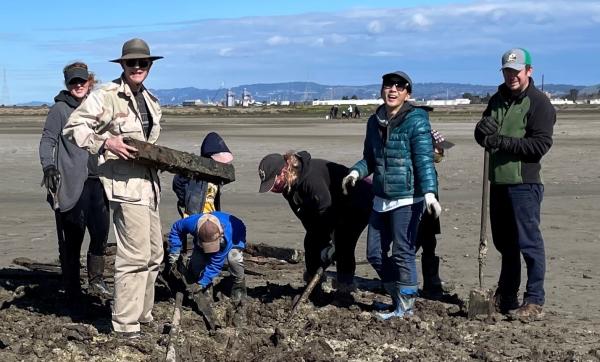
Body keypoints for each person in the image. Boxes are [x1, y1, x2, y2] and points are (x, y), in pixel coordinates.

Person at [63, 38, 164, 338]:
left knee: (154, 254)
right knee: (134, 255)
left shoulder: (152, 100)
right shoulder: (106, 96)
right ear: (122, 65)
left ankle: (142, 315)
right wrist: (105, 142)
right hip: (124, 187)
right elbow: (73, 127)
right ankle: (125, 324)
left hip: (150, 188)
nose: (137, 67)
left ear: (149, 66)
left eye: (142, 63)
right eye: (131, 63)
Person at [342, 71, 440, 320]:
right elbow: (370, 158)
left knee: (402, 253)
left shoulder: (417, 120)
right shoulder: (374, 121)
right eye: (388, 85)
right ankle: (397, 296)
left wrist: (429, 193)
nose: (392, 90)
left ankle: (405, 308)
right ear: (382, 90)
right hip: (380, 198)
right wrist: (356, 171)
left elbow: (424, 161)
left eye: (399, 86)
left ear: (407, 93)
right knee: (374, 253)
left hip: (408, 198)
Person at [474, 48, 555, 321]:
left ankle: (534, 300)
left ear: (528, 71)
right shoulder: (497, 99)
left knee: (529, 244)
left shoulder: (539, 103)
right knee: (505, 245)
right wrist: (481, 130)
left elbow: (540, 145)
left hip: (524, 183)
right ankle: (507, 294)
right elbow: (484, 133)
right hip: (498, 182)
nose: (512, 76)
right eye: (507, 71)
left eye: (516, 71)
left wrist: (502, 142)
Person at [39, 62, 110, 299]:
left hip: (99, 181)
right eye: (73, 82)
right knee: (74, 237)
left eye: (82, 81)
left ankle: (96, 280)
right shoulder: (60, 109)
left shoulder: (98, 106)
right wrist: (48, 166)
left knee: (100, 233)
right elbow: (47, 140)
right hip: (72, 182)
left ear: (89, 81)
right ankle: (72, 286)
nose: (78, 85)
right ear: (68, 85)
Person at [258, 151, 372, 293]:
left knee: (343, 242)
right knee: (311, 242)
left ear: (284, 171)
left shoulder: (311, 179)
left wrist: (331, 245)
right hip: (333, 206)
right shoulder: (287, 187)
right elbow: (306, 219)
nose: (272, 189)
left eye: (273, 183)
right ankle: (314, 286)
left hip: (358, 199)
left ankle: (345, 288)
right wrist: (321, 245)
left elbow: (327, 213)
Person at [167, 212, 247, 303]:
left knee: (234, 258)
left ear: (220, 234)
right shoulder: (191, 223)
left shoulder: (227, 236)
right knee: (196, 264)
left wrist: (202, 283)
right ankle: (203, 288)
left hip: (236, 232)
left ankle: (238, 284)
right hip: (206, 237)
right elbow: (176, 229)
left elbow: (215, 264)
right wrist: (174, 251)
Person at [416, 129, 455, 300]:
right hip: (420, 210)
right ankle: (397, 278)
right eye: (439, 149)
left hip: (431, 211)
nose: (441, 153)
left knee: (430, 243)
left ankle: (431, 281)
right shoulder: (421, 166)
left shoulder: (430, 167)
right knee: (412, 245)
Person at [172, 132, 233, 218]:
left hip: (212, 214)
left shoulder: (216, 176)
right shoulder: (196, 171)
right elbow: (177, 182)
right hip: (194, 214)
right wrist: (185, 200)